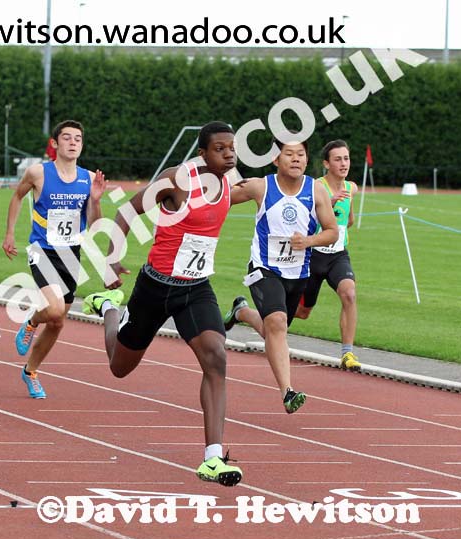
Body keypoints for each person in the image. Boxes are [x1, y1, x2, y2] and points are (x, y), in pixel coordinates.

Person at [82, 121, 243, 486]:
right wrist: (110, 263)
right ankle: (109, 307)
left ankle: (213, 458)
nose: (229, 153)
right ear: (202, 153)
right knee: (119, 367)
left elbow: (273, 190)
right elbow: (125, 213)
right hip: (155, 287)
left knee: (216, 356)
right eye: (220, 148)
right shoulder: (176, 181)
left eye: (232, 147)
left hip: (195, 289)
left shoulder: (231, 184)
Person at [224, 140, 360, 370]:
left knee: (349, 293)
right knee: (285, 322)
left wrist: (335, 221)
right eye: (338, 159)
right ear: (325, 163)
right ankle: (243, 312)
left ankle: (348, 353)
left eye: (346, 158)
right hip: (308, 258)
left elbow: (348, 221)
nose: (343, 163)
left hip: (335, 254)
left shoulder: (351, 187)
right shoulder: (315, 186)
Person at [2, 120, 105, 399]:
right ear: (55, 143)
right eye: (67, 138)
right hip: (41, 249)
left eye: (78, 139)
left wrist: (95, 200)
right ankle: (32, 323)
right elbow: (17, 197)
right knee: (55, 310)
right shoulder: (38, 172)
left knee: (58, 322)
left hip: (70, 253)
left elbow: (95, 226)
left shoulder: (87, 179)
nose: (73, 142)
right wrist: (10, 233)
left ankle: (30, 372)